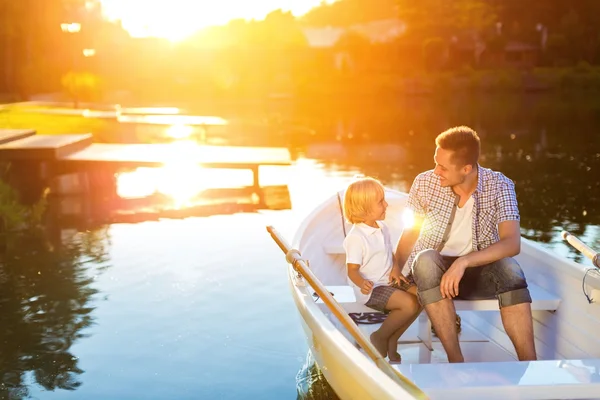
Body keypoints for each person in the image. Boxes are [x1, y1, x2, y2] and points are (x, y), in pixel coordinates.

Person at [395, 126, 536, 363]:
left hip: (479, 271)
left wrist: (464, 262)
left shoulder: (500, 185)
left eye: (443, 167)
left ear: (466, 169)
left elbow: (512, 243)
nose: (435, 171)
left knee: (510, 269)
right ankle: (455, 360)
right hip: (433, 275)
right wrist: (395, 267)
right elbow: (411, 231)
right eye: (435, 163)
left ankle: (531, 365)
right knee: (425, 260)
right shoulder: (424, 183)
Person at [342, 176, 421, 363]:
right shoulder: (356, 238)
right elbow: (352, 270)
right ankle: (379, 336)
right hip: (372, 288)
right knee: (409, 304)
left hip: (389, 279)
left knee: (424, 297)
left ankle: (393, 338)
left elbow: (390, 254)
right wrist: (362, 284)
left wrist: (395, 269)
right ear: (364, 209)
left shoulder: (382, 227)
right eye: (380, 202)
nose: (386, 205)